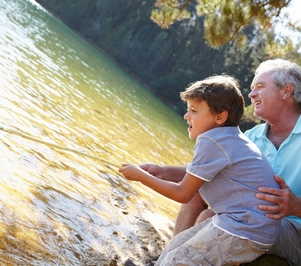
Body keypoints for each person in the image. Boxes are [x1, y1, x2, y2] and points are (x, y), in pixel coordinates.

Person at [139, 58, 301, 265]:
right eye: (251, 88)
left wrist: (298, 206)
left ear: (286, 91)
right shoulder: (252, 136)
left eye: (260, 87)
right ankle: (167, 258)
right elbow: (205, 169)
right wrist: (162, 171)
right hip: (263, 220)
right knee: (201, 191)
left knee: (211, 218)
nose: (251, 94)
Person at [120, 75, 281, 265]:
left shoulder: (211, 141)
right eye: (188, 109)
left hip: (243, 230)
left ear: (220, 117)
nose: (186, 115)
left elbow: (182, 193)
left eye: (194, 111)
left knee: (178, 260)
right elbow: (199, 171)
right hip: (252, 227)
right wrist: (161, 171)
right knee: (175, 246)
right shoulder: (229, 137)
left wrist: (140, 177)